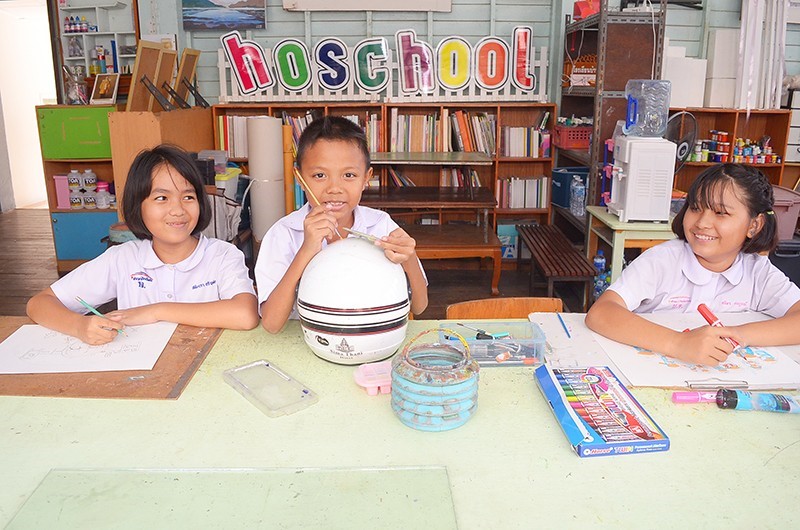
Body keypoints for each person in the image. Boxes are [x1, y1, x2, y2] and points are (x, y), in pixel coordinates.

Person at [27, 145, 259, 345]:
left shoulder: (221, 255)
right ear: (138, 206)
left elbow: (245, 314)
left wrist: (156, 311)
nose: (178, 210)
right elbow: (38, 304)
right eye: (161, 198)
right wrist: (80, 326)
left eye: (188, 197)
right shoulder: (123, 258)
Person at [585, 163, 800, 366]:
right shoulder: (662, 261)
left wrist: (737, 334)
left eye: (721, 213)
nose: (702, 223)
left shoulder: (757, 270)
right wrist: (678, 343)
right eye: (695, 208)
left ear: (754, 225)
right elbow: (601, 312)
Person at [256, 116, 428, 333]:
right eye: (320, 175)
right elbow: (271, 324)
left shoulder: (381, 226)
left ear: (366, 178)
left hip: (371, 337)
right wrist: (306, 250)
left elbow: (420, 307)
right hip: (309, 338)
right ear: (300, 178)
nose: (335, 188)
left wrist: (408, 256)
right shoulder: (284, 234)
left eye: (349, 175)